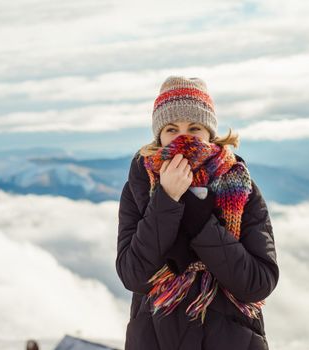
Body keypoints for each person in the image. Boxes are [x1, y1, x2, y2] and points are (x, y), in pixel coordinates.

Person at [116, 76, 279, 350]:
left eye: (194, 127)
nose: (182, 138)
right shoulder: (139, 187)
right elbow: (133, 274)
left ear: (209, 134)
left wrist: (200, 221)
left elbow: (258, 283)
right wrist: (166, 201)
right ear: (159, 135)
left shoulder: (241, 188)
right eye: (171, 128)